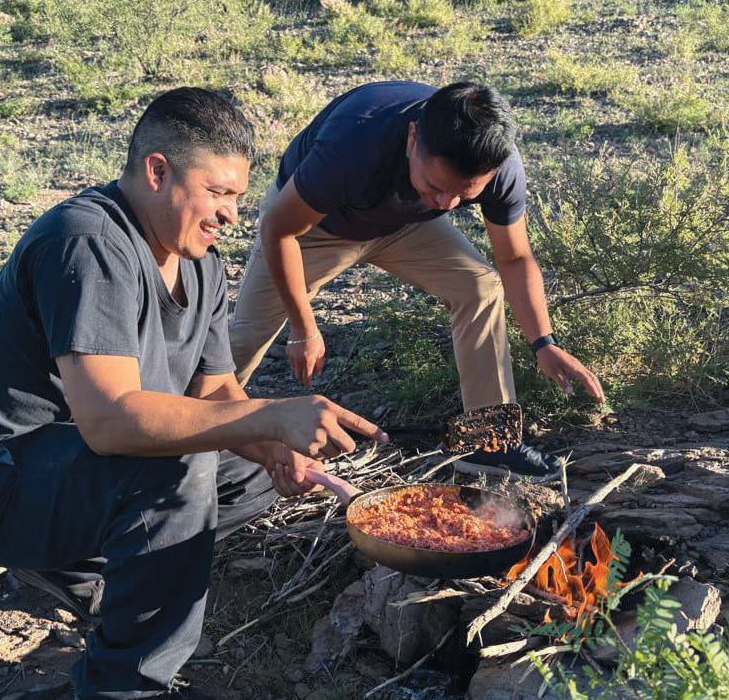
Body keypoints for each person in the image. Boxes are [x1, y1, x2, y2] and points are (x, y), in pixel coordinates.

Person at [0, 87, 386, 700]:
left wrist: (273, 442)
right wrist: (273, 414)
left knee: (249, 466)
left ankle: (81, 568)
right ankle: (122, 689)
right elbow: (110, 422)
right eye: (217, 192)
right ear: (158, 171)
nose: (231, 213)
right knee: (179, 463)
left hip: (65, 467)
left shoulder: (202, 263)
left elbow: (218, 390)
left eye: (237, 197)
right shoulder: (88, 242)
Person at [229, 80, 604, 478]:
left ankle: (487, 443)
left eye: (463, 195)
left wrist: (544, 343)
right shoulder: (356, 141)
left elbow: (514, 258)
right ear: (412, 139)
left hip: (403, 225)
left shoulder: (498, 166)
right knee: (247, 337)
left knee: (478, 285)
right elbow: (279, 229)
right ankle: (189, 429)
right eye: (436, 186)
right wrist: (304, 328)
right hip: (312, 226)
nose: (446, 204)